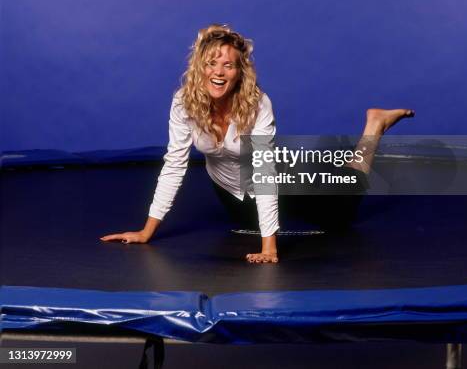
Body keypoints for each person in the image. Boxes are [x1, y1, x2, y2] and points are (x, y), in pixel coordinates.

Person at [100, 24, 414, 263]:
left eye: (228, 65)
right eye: (211, 64)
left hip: (276, 177)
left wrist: (269, 249)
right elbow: (174, 165)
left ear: (240, 72)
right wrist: (146, 231)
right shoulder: (184, 103)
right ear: (200, 68)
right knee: (248, 223)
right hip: (230, 194)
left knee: (342, 212)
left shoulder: (257, 104)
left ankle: (374, 125)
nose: (219, 72)